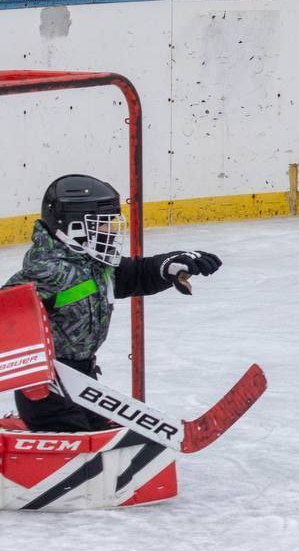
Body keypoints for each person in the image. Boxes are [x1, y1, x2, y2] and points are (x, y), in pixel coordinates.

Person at [4, 174, 222, 431]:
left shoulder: (92, 264)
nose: (112, 230)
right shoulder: (49, 271)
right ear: (74, 227)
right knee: (86, 452)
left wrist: (168, 266)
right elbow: (7, 313)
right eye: (103, 223)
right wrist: (32, 377)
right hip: (47, 391)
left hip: (83, 381)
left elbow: (132, 275)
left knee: (109, 437)